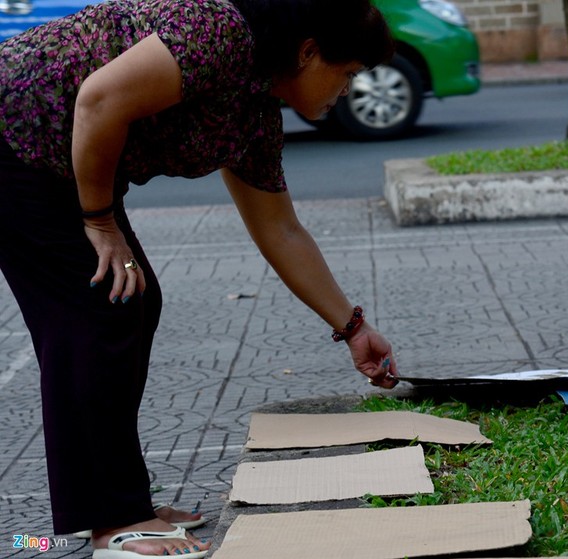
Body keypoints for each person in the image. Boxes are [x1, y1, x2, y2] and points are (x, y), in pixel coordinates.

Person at [0, 0, 398, 556]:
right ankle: (113, 521)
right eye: (350, 73)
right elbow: (98, 98)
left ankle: (122, 502)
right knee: (100, 307)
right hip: (15, 136)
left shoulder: (256, 110)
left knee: (134, 298)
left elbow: (280, 231)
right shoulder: (221, 31)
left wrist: (353, 328)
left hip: (65, 157)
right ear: (309, 52)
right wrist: (98, 220)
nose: (348, 91)